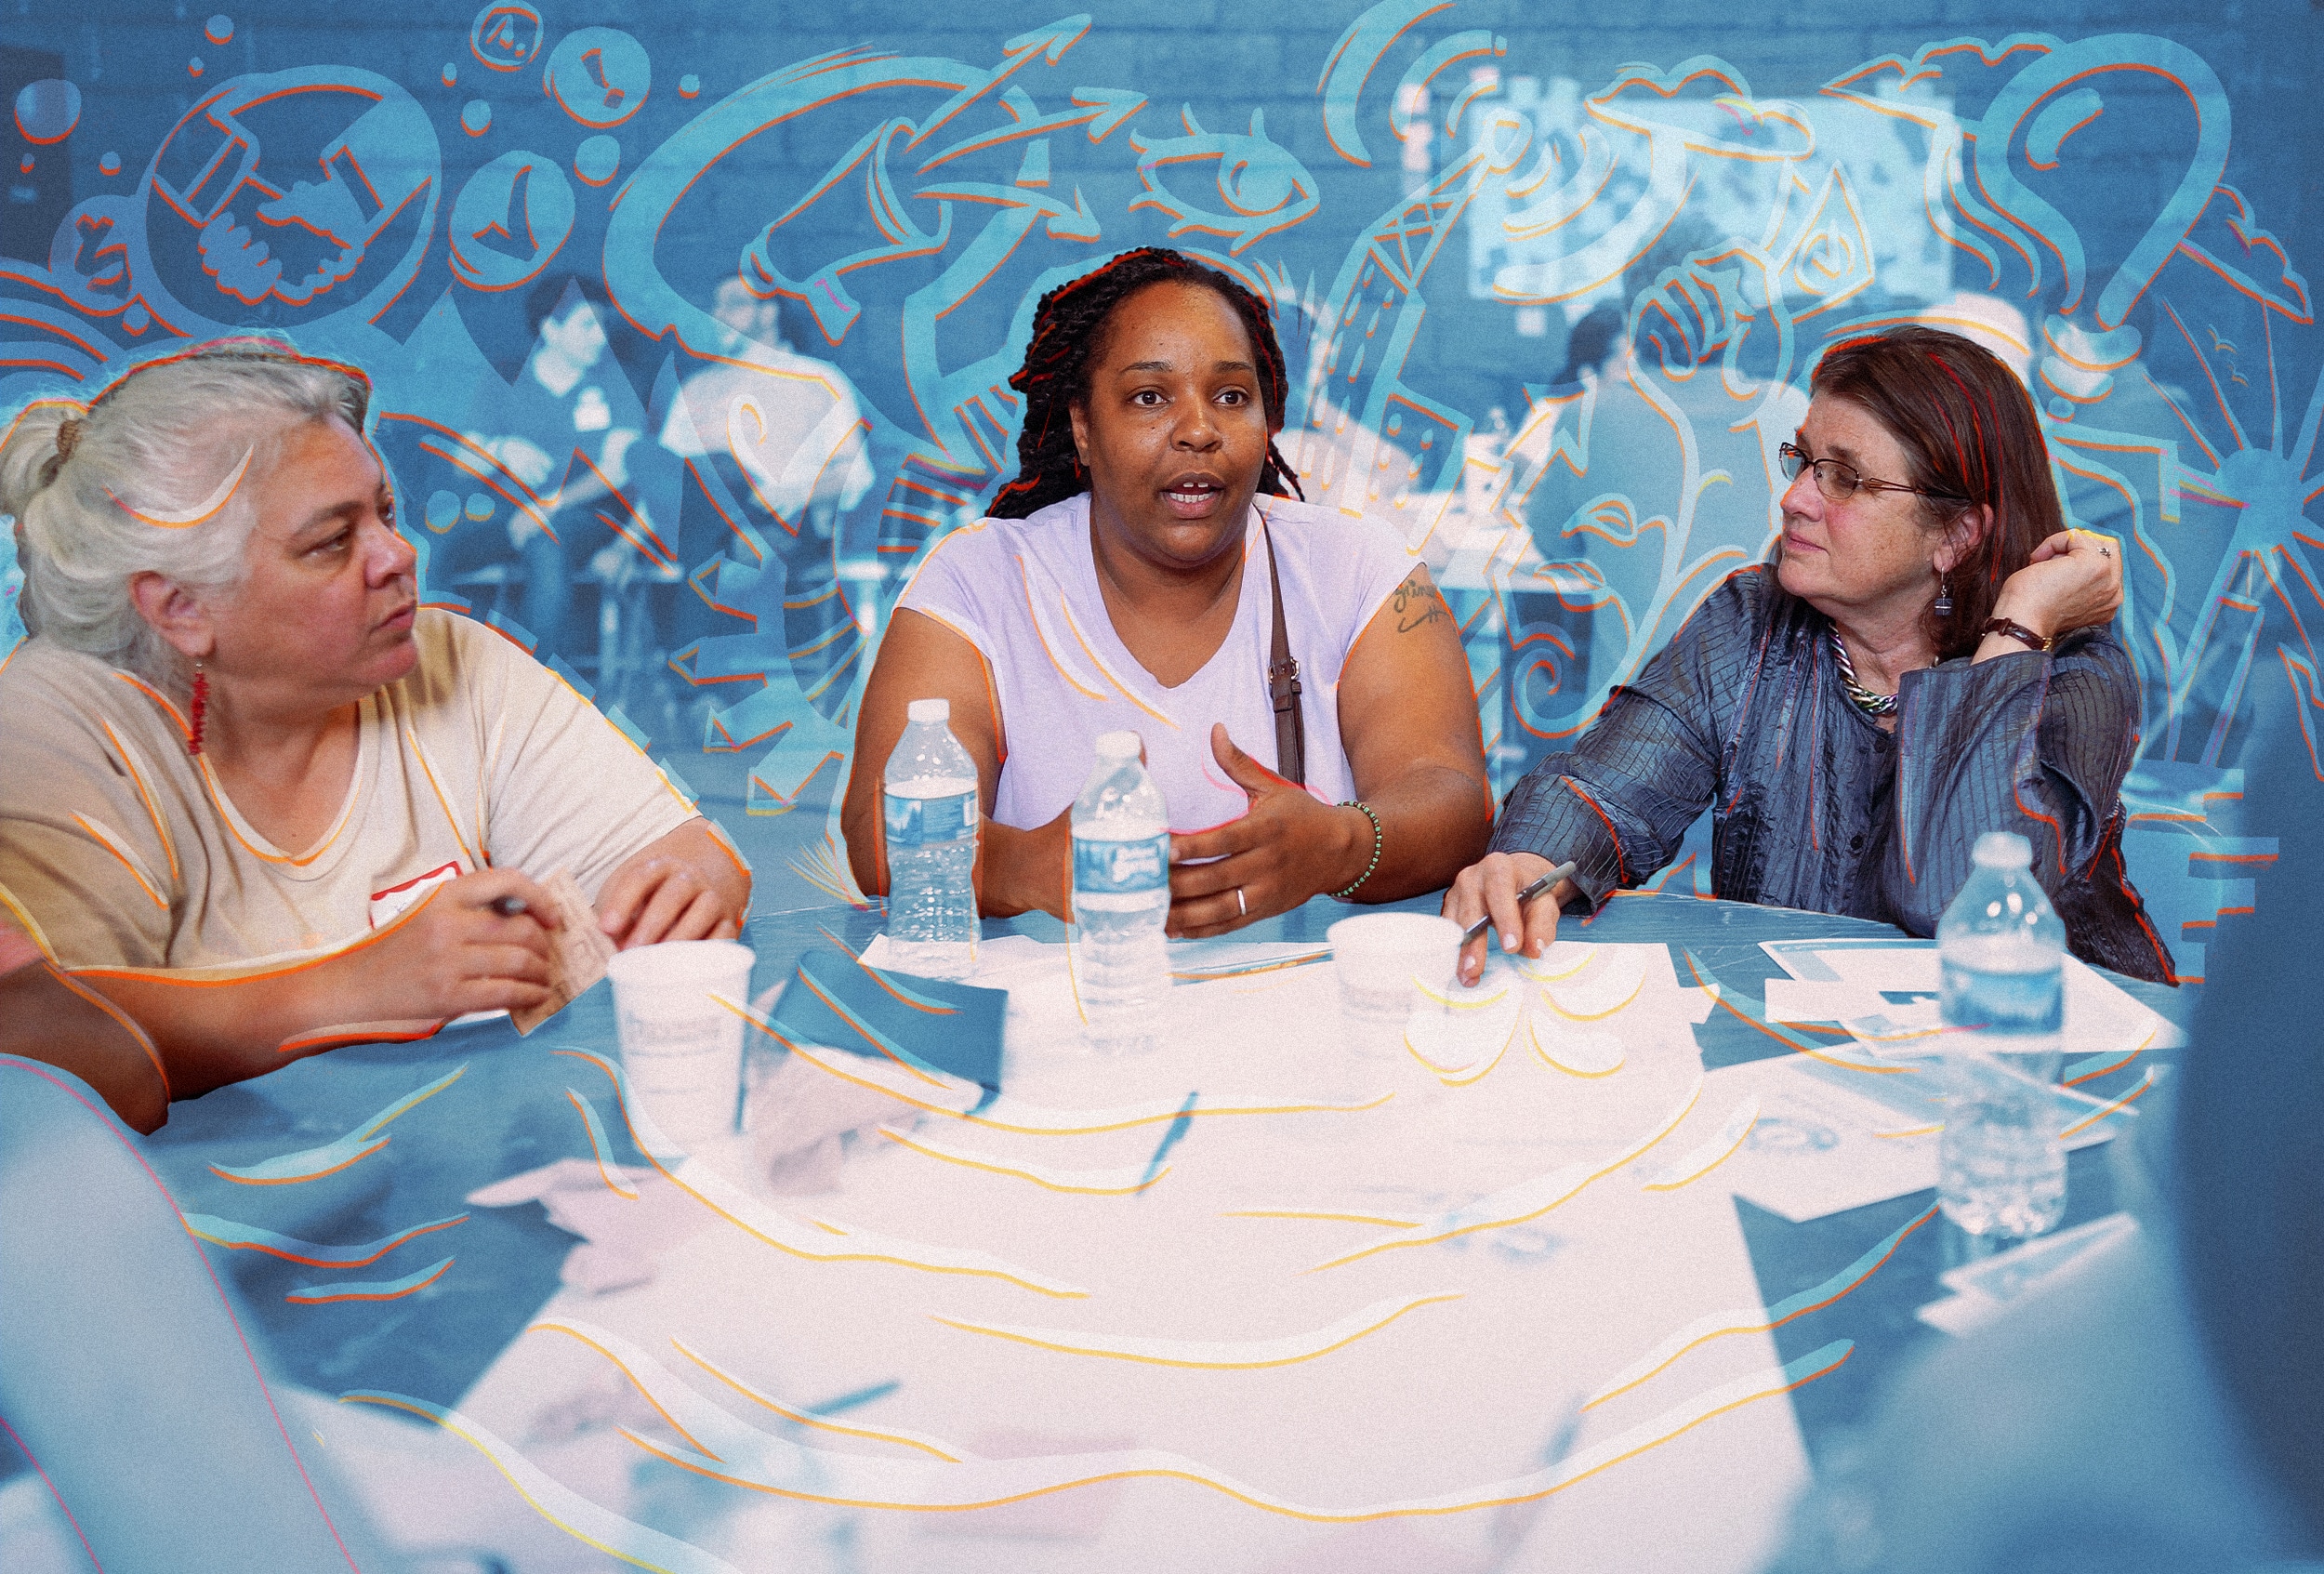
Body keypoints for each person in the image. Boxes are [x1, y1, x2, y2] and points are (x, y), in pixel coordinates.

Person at [0, 342, 750, 1126]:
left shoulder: (451, 658)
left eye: (385, 514)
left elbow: (694, 854)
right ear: (180, 608)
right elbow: (38, 1042)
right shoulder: (60, 718)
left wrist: (679, 888)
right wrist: (359, 986)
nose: (398, 555)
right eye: (332, 541)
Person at [1446, 325, 2173, 985]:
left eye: (1845, 478)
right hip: (1795, 1062)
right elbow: (1605, 791)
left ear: (1954, 536)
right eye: (1803, 461)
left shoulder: (2075, 673)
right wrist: (1532, 864)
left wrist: (2019, 623)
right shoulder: (1752, 622)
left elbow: (1955, 900)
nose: (1794, 499)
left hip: (2053, 1060)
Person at [840, 248, 1490, 932]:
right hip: (1068, 993)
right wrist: (1022, 866)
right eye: (1149, 397)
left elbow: (1451, 796)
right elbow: (877, 833)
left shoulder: (1358, 568)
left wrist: (1340, 846)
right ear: (1082, 427)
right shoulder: (979, 581)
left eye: (1231, 396)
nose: (1199, 430)